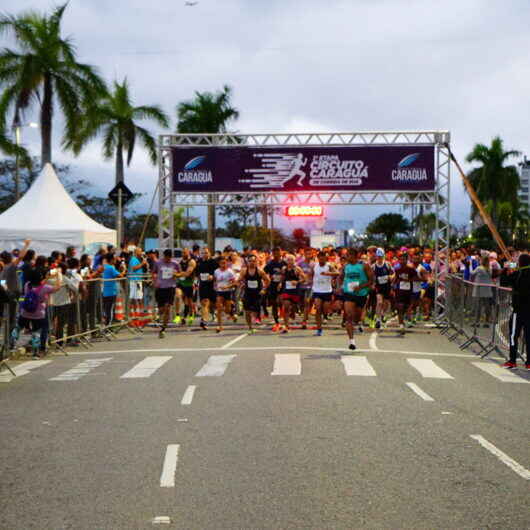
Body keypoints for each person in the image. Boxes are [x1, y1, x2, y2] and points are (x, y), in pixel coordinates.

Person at [18, 268, 62, 356]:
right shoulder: (45, 288)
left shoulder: (27, 285)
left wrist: (46, 278)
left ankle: (32, 348)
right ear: (40, 278)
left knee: (33, 331)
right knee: (42, 329)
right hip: (38, 314)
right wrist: (58, 275)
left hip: (26, 312)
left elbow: (38, 284)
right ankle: (40, 349)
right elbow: (58, 287)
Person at [501, 253, 530, 370]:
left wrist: (506, 268)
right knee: (529, 337)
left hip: (518, 310)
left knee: (513, 335)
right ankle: (529, 363)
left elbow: (503, 281)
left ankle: (512, 360)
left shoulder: (517, 274)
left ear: (520, 263)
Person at [341, 248, 374, 349]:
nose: (346, 257)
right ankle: (352, 341)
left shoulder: (364, 266)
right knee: (349, 316)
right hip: (349, 293)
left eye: (348, 255)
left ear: (354, 256)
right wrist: (339, 286)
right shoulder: (346, 266)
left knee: (357, 318)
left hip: (361, 294)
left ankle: (359, 320)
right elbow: (341, 277)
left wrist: (360, 287)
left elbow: (371, 280)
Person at [152, 249, 181, 338]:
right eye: (166, 257)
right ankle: (160, 316)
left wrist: (176, 274)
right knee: (161, 310)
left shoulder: (175, 263)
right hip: (160, 288)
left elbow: (180, 273)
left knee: (168, 307)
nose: (168, 259)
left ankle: (163, 329)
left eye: (170, 258)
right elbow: (153, 272)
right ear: (164, 256)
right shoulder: (158, 263)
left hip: (170, 287)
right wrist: (154, 281)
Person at [239, 254, 270, 334]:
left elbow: (267, 281)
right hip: (248, 293)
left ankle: (255, 317)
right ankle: (250, 327)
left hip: (257, 293)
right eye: (250, 261)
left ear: (256, 262)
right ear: (247, 262)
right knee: (247, 311)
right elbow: (239, 280)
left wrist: (264, 289)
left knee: (256, 310)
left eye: (253, 261)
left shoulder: (260, 271)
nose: (252, 263)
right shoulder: (244, 271)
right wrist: (241, 284)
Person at [310, 251, 339, 336]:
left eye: (324, 257)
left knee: (325, 310)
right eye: (320, 257)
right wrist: (307, 281)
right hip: (317, 290)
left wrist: (328, 273)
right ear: (318, 258)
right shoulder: (314, 266)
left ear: (326, 258)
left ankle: (324, 317)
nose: (322, 259)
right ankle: (319, 328)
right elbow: (311, 275)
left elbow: (337, 273)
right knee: (318, 308)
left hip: (327, 291)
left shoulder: (329, 266)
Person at [392, 252, 419, 334]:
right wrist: (393, 286)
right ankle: (401, 325)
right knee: (400, 307)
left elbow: (416, 278)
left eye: (403, 260)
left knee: (406, 308)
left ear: (406, 260)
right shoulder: (397, 269)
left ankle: (405, 320)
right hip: (399, 291)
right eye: (400, 260)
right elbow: (396, 278)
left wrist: (408, 280)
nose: (402, 261)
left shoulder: (411, 269)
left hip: (409, 291)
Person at [279, 254, 306, 333]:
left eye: (292, 260)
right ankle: (286, 326)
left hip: (295, 291)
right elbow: (282, 278)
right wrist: (280, 283)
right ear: (286, 261)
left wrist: (297, 282)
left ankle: (293, 312)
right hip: (287, 290)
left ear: (294, 261)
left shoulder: (297, 269)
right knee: (286, 306)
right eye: (288, 260)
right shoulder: (284, 269)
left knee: (294, 307)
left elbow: (304, 279)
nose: (290, 261)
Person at [264, 247, 286, 331]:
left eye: (278, 252)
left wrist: (282, 281)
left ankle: (284, 321)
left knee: (281, 301)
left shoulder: (284, 263)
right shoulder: (270, 263)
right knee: (274, 304)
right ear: (272, 254)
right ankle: (277, 322)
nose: (276, 254)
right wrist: (268, 279)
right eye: (274, 252)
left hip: (283, 286)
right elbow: (264, 273)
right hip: (273, 286)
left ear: (281, 253)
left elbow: (288, 273)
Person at [214, 256, 238, 333]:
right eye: (221, 263)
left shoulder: (230, 272)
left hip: (227, 292)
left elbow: (235, 283)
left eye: (224, 263)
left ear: (227, 263)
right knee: (219, 308)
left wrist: (227, 287)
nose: (223, 264)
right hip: (219, 292)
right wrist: (215, 286)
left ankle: (232, 315)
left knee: (227, 310)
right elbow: (215, 281)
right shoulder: (216, 271)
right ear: (219, 264)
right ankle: (219, 326)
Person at [101, 253, 126, 326]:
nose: (115, 260)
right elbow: (120, 275)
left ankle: (106, 324)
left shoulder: (104, 267)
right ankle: (108, 326)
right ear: (111, 259)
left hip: (105, 292)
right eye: (114, 259)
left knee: (106, 309)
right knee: (110, 309)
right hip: (111, 292)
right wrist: (124, 270)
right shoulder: (111, 268)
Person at [196, 247, 218, 330]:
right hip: (203, 285)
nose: (204, 254)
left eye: (206, 253)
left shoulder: (213, 262)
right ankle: (204, 320)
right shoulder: (199, 262)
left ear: (209, 253)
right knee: (204, 303)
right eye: (203, 253)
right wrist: (196, 282)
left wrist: (212, 276)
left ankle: (212, 313)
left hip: (212, 285)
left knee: (212, 304)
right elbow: (197, 273)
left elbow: (217, 272)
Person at [372, 248, 393, 329]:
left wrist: (391, 277)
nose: (379, 258)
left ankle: (383, 314)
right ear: (376, 257)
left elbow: (393, 273)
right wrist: (373, 283)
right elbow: (371, 276)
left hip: (387, 286)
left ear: (383, 256)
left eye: (381, 256)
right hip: (379, 287)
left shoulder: (388, 264)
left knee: (386, 303)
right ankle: (378, 319)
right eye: (378, 257)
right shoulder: (373, 266)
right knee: (379, 302)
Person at [176, 248, 196, 326]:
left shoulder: (192, 261)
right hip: (181, 283)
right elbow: (178, 271)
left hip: (189, 284)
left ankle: (190, 315)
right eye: (182, 253)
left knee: (189, 302)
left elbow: (188, 273)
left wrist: (177, 274)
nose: (183, 254)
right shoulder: (180, 262)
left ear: (188, 253)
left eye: (185, 253)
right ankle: (177, 315)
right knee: (178, 296)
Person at [128, 247, 147, 324]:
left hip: (137, 280)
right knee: (135, 298)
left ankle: (136, 315)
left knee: (137, 298)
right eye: (140, 251)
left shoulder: (137, 259)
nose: (141, 253)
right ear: (136, 252)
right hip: (134, 281)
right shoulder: (133, 259)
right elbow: (134, 268)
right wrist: (142, 263)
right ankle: (135, 316)